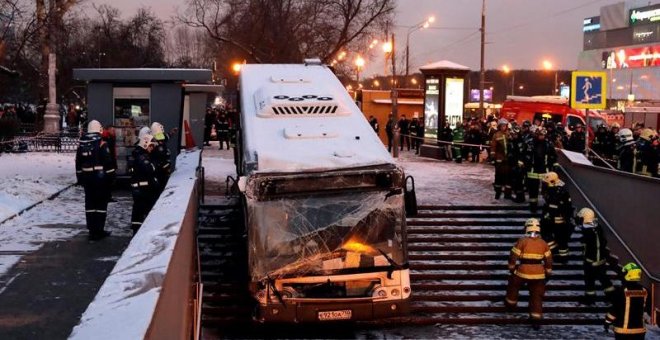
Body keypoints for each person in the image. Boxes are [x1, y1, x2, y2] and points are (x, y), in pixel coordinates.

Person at [505, 218, 553, 331]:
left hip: (522, 271)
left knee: (513, 285)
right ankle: (536, 319)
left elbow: (513, 255)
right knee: (536, 296)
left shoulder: (522, 241)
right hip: (539, 274)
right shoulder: (543, 243)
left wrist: (511, 268)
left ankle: (510, 304)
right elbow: (549, 259)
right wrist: (548, 272)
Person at [75, 120, 115, 241]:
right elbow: (108, 162)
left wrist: (80, 178)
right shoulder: (102, 143)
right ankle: (99, 230)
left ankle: (92, 230)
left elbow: (78, 163)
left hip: (87, 179)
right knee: (101, 204)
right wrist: (111, 178)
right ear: (99, 129)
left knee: (90, 204)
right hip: (100, 179)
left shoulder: (82, 143)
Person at [575, 208, 614, 305]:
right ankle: (612, 297)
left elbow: (590, 244)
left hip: (591, 260)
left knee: (590, 280)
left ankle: (590, 299)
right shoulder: (597, 227)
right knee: (604, 280)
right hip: (600, 259)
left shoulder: (588, 231)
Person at [604, 263, 648, 339]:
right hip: (640, 331)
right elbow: (646, 309)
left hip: (623, 331)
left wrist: (607, 322)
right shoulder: (644, 291)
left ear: (628, 275)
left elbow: (615, 310)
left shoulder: (621, 291)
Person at [540, 172, 573, 262]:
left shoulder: (559, 192)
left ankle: (561, 256)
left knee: (561, 240)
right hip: (552, 219)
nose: (544, 185)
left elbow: (560, 207)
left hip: (558, 221)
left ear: (552, 181)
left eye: (546, 183)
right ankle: (557, 253)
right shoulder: (555, 190)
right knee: (550, 236)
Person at [129, 134, 159, 235]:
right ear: (146, 144)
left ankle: (136, 229)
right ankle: (138, 231)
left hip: (139, 188)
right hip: (142, 189)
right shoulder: (142, 157)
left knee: (138, 210)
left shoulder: (137, 154)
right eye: (151, 146)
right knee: (140, 210)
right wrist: (154, 162)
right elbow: (150, 169)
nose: (152, 148)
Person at [524, 128, 557, 213]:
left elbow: (554, 155)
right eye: (539, 135)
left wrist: (554, 164)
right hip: (533, 170)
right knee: (533, 189)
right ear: (536, 134)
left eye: (543, 135)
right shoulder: (530, 143)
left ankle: (547, 205)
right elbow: (524, 154)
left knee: (547, 189)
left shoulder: (548, 144)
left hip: (544, 170)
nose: (541, 137)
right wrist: (525, 165)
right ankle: (533, 206)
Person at [490, 118, 512, 199]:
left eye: (505, 126)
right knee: (498, 177)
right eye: (502, 126)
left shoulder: (509, 134)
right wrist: (492, 158)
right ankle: (498, 193)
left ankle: (507, 194)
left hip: (508, 159)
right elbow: (493, 147)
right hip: (499, 159)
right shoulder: (496, 135)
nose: (503, 127)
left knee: (508, 177)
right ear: (499, 126)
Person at [150, 122, 172, 194]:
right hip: (159, 170)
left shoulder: (161, 138)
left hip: (163, 169)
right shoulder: (153, 144)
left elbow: (165, 137)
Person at [508, 125, 527, 203]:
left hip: (519, 166)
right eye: (513, 134)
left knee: (519, 182)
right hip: (513, 164)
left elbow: (522, 154)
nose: (514, 136)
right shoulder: (512, 142)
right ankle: (516, 195)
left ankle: (520, 198)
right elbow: (510, 153)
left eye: (515, 134)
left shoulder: (521, 143)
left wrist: (520, 163)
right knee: (514, 181)